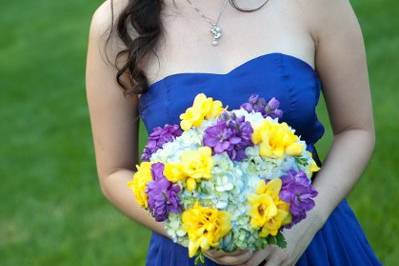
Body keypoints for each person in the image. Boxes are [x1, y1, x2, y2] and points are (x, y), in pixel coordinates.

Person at [85, 0, 382, 265]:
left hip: (312, 239)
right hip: (193, 253)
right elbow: (115, 172)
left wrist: (307, 224)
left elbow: (355, 130)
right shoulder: (116, 23)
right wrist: (200, 232)